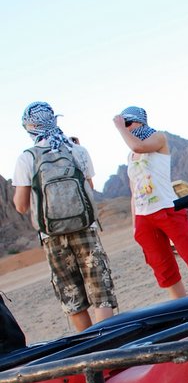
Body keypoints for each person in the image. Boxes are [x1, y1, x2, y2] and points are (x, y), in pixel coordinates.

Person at [13, 101, 117, 332]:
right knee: (101, 290)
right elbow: (89, 188)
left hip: (52, 236)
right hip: (85, 228)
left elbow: (20, 206)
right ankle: (110, 344)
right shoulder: (76, 150)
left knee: (72, 294)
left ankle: (89, 352)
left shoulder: (27, 158)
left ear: (30, 126)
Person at [113, 106, 188, 299]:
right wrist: (136, 224)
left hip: (167, 208)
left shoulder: (158, 139)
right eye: (124, 124)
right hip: (144, 216)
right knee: (164, 268)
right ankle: (182, 310)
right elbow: (133, 191)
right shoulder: (131, 155)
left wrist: (119, 128)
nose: (126, 128)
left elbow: (139, 146)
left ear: (140, 121)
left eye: (128, 123)